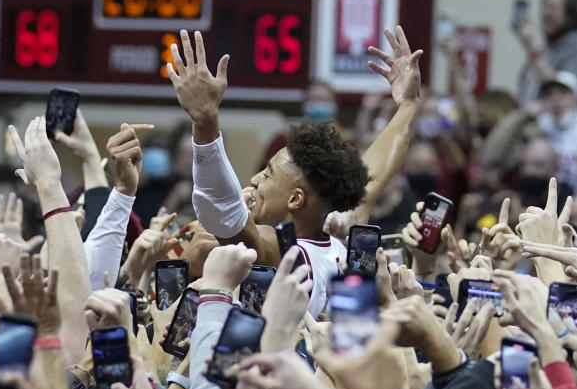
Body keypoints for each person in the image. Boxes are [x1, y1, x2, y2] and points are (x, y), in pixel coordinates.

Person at [166, 27, 422, 316]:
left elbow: (224, 212)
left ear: (296, 200)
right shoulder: (338, 235)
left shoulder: (284, 253)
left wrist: (205, 122)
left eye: (268, 174)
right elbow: (372, 175)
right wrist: (408, 105)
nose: (254, 179)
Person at [515, 0, 577, 111]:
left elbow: (563, 95)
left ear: (570, 11)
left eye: (553, 8)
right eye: (544, 6)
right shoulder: (550, 46)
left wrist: (532, 49)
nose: (546, 14)